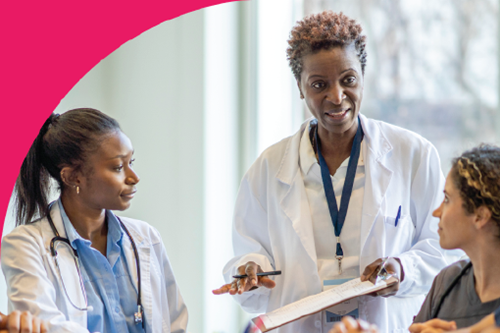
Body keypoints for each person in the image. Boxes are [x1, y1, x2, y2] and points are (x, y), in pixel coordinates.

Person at [212, 11, 461, 333]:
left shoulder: (412, 155)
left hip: (384, 324)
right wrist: (251, 271)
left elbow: (445, 247)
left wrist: (403, 268)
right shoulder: (268, 168)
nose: (336, 96)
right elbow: (250, 252)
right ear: (300, 89)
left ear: (362, 78)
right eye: (319, 85)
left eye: (348, 80)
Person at [1, 109, 187, 333]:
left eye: (131, 162)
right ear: (72, 177)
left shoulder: (146, 237)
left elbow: (175, 322)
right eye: (118, 167)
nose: (134, 177)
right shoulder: (25, 246)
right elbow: (44, 327)